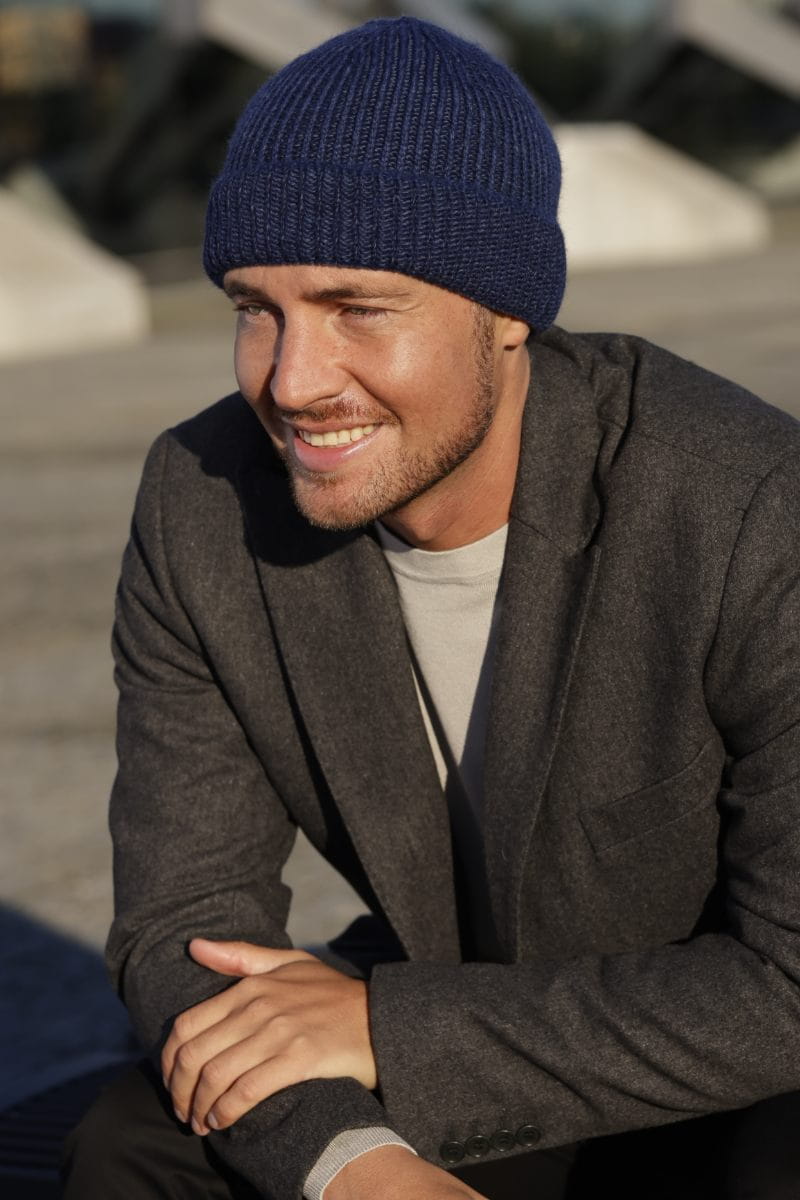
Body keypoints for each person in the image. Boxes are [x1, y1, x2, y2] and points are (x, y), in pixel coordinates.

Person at [62, 15, 800, 1200]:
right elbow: (183, 927)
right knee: (133, 1145)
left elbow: (788, 983)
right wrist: (359, 1167)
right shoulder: (203, 504)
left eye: (358, 306)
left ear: (505, 312)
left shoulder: (747, 507)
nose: (292, 381)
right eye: (255, 308)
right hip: (466, 1031)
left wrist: (386, 1029)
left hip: (721, 1059)